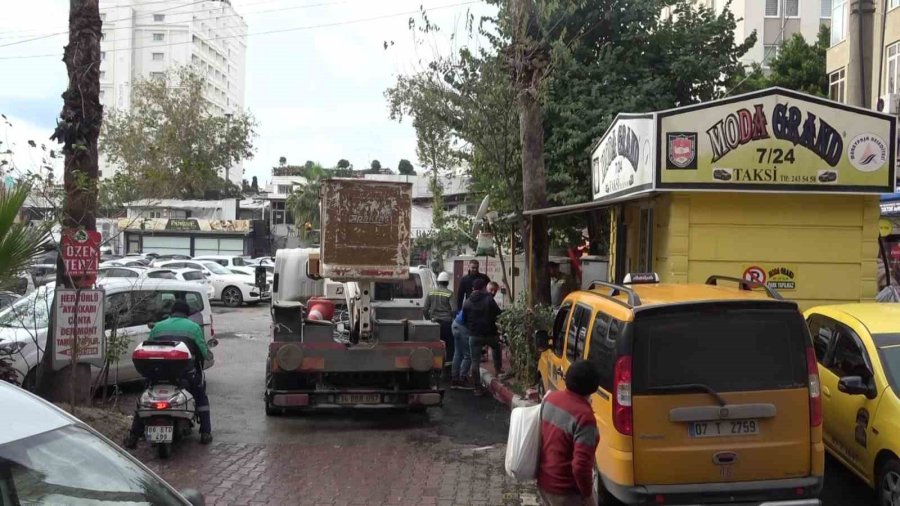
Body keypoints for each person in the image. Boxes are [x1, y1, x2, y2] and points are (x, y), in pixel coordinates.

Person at [124, 300, 213, 448]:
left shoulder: (158, 326)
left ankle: (133, 436)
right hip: (185, 375)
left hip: (156, 374)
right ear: (187, 314)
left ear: (172, 312)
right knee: (201, 397)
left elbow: (149, 347)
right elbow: (203, 352)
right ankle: (205, 432)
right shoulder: (193, 327)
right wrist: (208, 356)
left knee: (144, 401)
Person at [537, 360, 601, 506]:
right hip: (566, 491)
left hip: (545, 483)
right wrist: (587, 495)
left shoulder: (550, 399)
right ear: (593, 387)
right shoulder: (584, 417)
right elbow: (581, 466)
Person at [464, 278, 502, 396]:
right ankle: (498, 371)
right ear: (483, 288)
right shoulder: (489, 299)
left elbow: (464, 320)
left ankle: (477, 388)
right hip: (490, 334)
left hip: (474, 335)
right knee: (496, 348)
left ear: (473, 289)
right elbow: (499, 314)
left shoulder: (467, 302)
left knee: (475, 362)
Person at [423, 272, 457, 371]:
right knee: (450, 346)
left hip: (434, 324)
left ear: (438, 282)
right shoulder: (449, 293)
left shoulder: (431, 292)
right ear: (447, 283)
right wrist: (453, 320)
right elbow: (454, 310)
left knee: (434, 345)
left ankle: (433, 367)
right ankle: (447, 369)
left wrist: (429, 320)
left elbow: (425, 309)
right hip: (447, 324)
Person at [450, 308, 473, 389]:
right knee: (469, 355)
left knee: (458, 353)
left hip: (455, 324)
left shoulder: (471, 301)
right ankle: (462, 379)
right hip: (463, 327)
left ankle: (455, 379)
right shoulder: (483, 305)